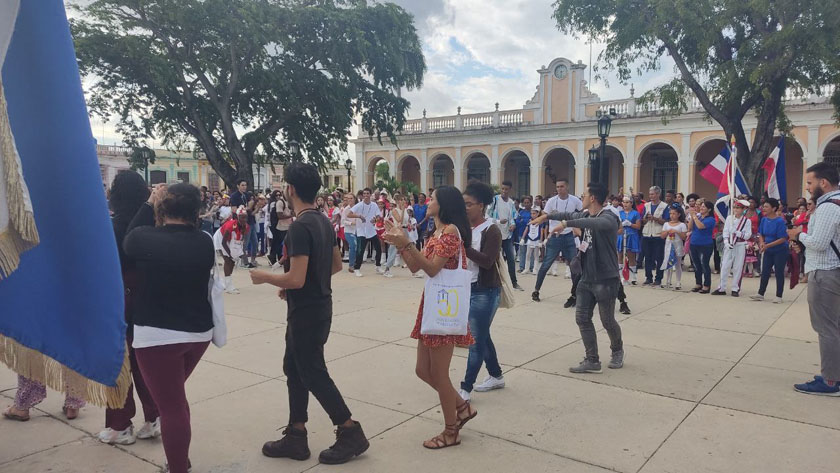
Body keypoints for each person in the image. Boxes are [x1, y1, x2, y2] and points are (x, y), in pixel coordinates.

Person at [250, 163, 369, 464]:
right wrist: (294, 285)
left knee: (312, 372)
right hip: (318, 306)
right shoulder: (323, 221)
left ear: (290, 189)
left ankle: (349, 429)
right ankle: (296, 434)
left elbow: (296, 278)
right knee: (294, 367)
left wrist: (267, 277)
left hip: (306, 313)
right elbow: (335, 265)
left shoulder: (300, 227)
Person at [124, 183, 215, 473]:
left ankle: (178, 467)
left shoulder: (143, 238)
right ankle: (179, 460)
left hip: (157, 335)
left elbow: (127, 240)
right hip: (197, 333)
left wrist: (149, 203)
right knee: (174, 399)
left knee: (171, 406)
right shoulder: (204, 241)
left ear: (162, 209)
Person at [383, 186, 478, 450]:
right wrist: (400, 244)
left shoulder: (449, 233)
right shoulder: (436, 231)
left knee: (439, 373)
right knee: (422, 370)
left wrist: (407, 242)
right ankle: (462, 407)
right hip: (434, 306)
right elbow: (416, 266)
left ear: (443, 204)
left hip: (443, 307)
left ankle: (451, 431)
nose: (428, 201)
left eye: (433, 199)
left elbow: (434, 269)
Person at [532, 182, 624, 373]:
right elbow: (566, 214)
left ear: (592, 199)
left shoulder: (608, 216)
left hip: (606, 279)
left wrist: (566, 224)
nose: (581, 198)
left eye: (584, 195)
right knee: (582, 318)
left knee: (607, 320)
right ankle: (592, 360)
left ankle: (617, 350)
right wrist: (546, 217)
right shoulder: (584, 214)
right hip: (586, 277)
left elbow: (594, 223)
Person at [97, 171, 160, 445]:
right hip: (149, 301)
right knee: (146, 365)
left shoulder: (114, 226)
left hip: (120, 300)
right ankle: (154, 417)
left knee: (119, 365)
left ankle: (120, 424)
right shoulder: (156, 223)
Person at [788, 162, 840, 396]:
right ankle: (834, 374)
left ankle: (830, 382)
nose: (808, 188)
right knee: (833, 327)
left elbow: (818, 243)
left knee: (826, 328)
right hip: (830, 270)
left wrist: (800, 233)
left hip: (825, 273)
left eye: (810, 182)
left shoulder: (829, 207)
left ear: (824, 183)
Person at [457, 180, 505, 402]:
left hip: (485, 291)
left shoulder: (491, 229)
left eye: (469, 204)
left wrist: (464, 248)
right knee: (482, 336)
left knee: (475, 340)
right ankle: (496, 375)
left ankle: (465, 388)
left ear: (482, 206)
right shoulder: (461, 227)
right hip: (466, 288)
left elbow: (487, 261)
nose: (465, 208)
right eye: (463, 204)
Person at [532, 179, 583, 304]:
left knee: (574, 266)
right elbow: (544, 214)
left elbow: (582, 212)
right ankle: (536, 290)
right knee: (546, 264)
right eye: (558, 187)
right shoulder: (552, 201)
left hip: (568, 236)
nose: (559, 189)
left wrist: (576, 227)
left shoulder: (574, 200)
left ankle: (575, 293)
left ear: (567, 187)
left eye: (562, 186)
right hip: (555, 236)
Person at [750, 198, 790, 303]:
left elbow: (783, 238)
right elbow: (760, 233)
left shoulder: (780, 221)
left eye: (767, 206)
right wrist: (762, 243)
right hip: (768, 249)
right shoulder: (764, 219)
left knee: (779, 272)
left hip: (780, 250)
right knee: (765, 271)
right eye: (764, 206)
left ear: (774, 208)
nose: (764, 208)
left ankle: (779, 296)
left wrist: (767, 245)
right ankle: (760, 293)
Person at [712, 199, 752, 296]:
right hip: (729, 245)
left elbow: (747, 235)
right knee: (725, 266)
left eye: (738, 208)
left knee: (738, 267)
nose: (735, 209)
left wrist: (736, 232)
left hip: (740, 245)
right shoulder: (730, 218)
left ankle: (735, 288)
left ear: (743, 209)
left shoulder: (747, 221)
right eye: (734, 207)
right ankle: (722, 288)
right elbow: (725, 231)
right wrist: (726, 242)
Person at [487, 180, 522, 291]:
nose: (504, 191)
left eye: (506, 189)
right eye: (502, 189)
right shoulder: (495, 200)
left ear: (509, 189)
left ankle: (513, 282)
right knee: (495, 259)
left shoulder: (511, 202)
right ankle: (494, 282)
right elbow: (486, 216)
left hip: (507, 236)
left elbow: (512, 217)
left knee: (511, 259)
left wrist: (512, 225)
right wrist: (498, 221)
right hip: (495, 234)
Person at [348, 188, 382, 277]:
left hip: (371, 230)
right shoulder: (359, 205)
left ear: (370, 195)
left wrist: (375, 219)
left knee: (378, 248)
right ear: (362, 195)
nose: (366, 195)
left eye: (367, 193)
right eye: (364, 194)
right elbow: (349, 214)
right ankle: (357, 268)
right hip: (361, 231)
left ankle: (378, 266)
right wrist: (359, 216)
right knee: (360, 251)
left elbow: (379, 216)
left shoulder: (374, 205)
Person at [640, 186, 668, 286]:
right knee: (647, 257)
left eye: (652, 194)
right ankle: (648, 277)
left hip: (658, 234)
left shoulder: (664, 206)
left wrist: (655, 219)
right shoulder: (646, 205)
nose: (651, 196)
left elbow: (666, 221)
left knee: (659, 257)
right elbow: (642, 220)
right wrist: (646, 218)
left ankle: (658, 278)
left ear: (658, 194)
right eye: (650, 194)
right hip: (647, 233)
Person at [217, 207, 249, 294]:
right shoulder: (230, 226)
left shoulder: (246, 226)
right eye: (242, 217)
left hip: (232, 240)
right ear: (237, 217)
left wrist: (239, 253)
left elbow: (242, 240)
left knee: (232, 261)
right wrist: (230, 254)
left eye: (246, 217)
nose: (244, 219)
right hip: (221, 238)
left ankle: (227, 282)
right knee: (228, 261)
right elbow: (223, 242)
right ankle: (228, 286)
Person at [687, 200, 716, 293]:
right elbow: (689, 227)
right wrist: (692, 217)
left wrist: (695, 216)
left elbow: (700, 226)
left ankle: (707, 285)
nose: (701, 208)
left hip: (705, 245)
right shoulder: (698, 217)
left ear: (709, 209)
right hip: (694, 243)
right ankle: (698, 283)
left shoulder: (711, 219)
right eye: (701, 206)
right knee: (696, 265)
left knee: (704, 264)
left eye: (704, 207)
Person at [229, 179, 257, 268]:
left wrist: (255, 206)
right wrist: (246, 208)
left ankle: (253, 259)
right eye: (242, 185)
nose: (244, 187)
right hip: (242, 222)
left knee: (255, 242)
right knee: (245, 242)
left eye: (245, 185)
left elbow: (251, 207)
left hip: (251, 220)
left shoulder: (247, 195)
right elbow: (234, 210)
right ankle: (244, 261)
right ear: (238, 186)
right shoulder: (234, 196)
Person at [660, 206, 687, 290]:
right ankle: (667, 280)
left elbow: (684, 237)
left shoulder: (682, 225)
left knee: (678, 264)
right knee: (667, 262)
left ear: (678, 214)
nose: (672, 215)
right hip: (668, 245)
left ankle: (678, 281)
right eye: (670, 213)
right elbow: (662, 236)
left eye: (674, 214)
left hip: (677, 246)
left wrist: (677, 232)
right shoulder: (666, 224)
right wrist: (667, 232)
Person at [618, 196, 642, 285]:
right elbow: (616, 224)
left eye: (627, 202)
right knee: (619, 255)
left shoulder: (635, 213)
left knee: (631, 256)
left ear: (631, 203)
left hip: (632, 236)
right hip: (621, 235)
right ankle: (620, 276)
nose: (625, 204)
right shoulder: (619, 213)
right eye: (624, 202)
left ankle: (633, 277)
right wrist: (621, 224)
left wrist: (630, 224)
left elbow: (638, 226)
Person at [269, 190, 293, 268]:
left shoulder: (289, 202)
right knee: (279, 244)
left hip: (287, 226)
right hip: (280, 227)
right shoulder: (280, 202)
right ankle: (272, 258)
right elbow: (279, 215)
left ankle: (280, 259)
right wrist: (291, 215)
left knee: (281, 244)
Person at [519, 208, 544, 274]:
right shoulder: (529, 221)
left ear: (538, 214)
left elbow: (541, 232)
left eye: (534, 213)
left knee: (536, 255)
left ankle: (535, 269)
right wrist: (522, 238)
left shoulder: (540, 222)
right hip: (530, 239)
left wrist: (541, 241)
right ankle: (526, 268)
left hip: (536, 239)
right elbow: (526, 230)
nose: (532, 215)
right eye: (531, 213)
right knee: (528, 254)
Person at [341, 193, 358, 273]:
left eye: (351, 198)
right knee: (352, 245)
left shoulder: (357, 208)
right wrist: (351, 223)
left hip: (357, 230)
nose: (350, 200)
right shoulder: (346, 210)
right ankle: (351, 265)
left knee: (357, 247)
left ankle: (356, 263)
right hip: (348, 230)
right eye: (348, 199)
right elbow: (343, 221)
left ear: (354, 199)